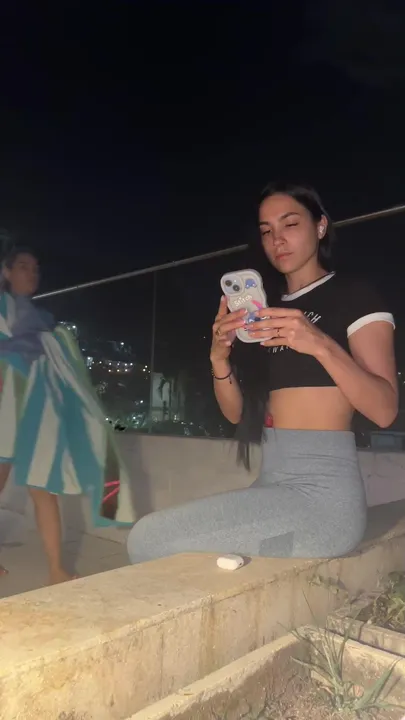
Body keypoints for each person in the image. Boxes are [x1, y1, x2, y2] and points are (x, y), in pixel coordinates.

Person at [126, 183, 397, 563]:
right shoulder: (265, 310)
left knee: (148, 537)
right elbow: (236, 414)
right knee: (182, 554)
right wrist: (219, 358)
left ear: (320, 226)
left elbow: (384, 410)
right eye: (267, 230)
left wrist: (319, 343)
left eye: (290, 224)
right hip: (273, 481)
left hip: (323, 499)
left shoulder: (354, 296)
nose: (277, 240)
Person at [0, 247, 135, 583]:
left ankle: (57, 570)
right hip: (5, 411)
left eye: (35, 268)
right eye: (23, 266)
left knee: (43, 488)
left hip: (33, 414)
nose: (31, 273)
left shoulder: (43, 322)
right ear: (6, 272)